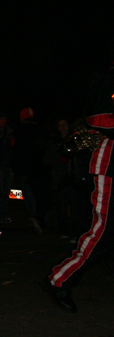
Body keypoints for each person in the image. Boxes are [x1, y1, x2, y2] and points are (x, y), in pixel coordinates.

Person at [41, 61, 113, 313]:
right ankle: (59, 279)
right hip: (110, 164)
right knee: (102, 230)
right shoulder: (107, 77)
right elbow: (96, 118)